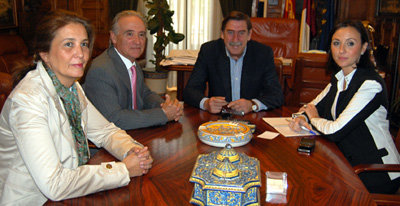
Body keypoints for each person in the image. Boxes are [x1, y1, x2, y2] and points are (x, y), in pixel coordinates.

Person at [0, 11, 153, 205]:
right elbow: (54, 184)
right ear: (44, 54)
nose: (80, 53)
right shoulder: (27, 101)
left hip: (70, 192)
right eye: (69, 44)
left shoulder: (72, 87)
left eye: (84, 44)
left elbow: (105, 131)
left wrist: (133, 151)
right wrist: (123, 169)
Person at [289, 20, 400, 194]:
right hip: (344, 162)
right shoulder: (340, 78)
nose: (341, 50)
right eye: (336, 43)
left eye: (350, 43)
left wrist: (314, 118)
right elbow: (309, 107)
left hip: (374, 171)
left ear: (363, 48)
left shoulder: (371, 85)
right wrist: (303, 118)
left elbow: (335, 131)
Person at [83, 10, 183, 130]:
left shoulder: (131, 62)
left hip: (133, 133)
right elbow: (115, 119)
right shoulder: (101, 70)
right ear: (114, 37)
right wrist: (164, 114)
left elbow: (145, 94)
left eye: (141, 34)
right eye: (129, 34)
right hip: (107, 144)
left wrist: (168, 106)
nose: (137, 41)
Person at [183, 11, 283, 114]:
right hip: (219, 120)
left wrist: (253, 105)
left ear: (249, 35)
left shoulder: (263, 53)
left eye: (241, 32)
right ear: (222, 34)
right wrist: (206, 103)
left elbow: (276, 95)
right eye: (230, 32)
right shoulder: (209, 51)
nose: (235, 39)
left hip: (252, 118)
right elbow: (190, 90)